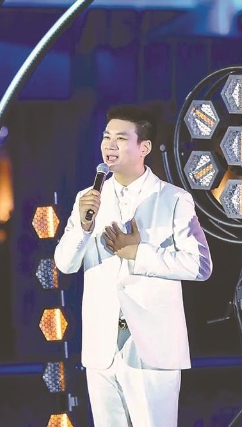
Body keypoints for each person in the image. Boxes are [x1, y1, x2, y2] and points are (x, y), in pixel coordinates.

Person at [54, 105, 212, 427]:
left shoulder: (173, 198)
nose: (110, 145)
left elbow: (200, 265)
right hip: (101, 345)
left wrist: (138, 253)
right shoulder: (89, 198)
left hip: (152, 346)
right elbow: (65, 264)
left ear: (144, 147)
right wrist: (85, 227)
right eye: (106, 137)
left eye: (121, 138)